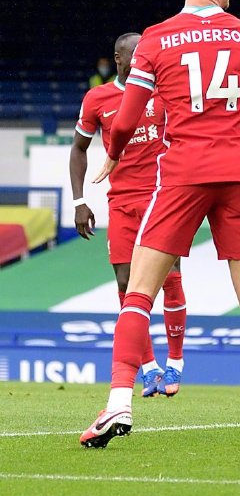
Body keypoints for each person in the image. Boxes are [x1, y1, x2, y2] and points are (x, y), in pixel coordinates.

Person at [80, 0, 240, 450]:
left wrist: (113, 153)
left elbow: (127, 117)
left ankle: (119, 405)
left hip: (181, 177)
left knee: (138, 293)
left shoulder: (156, 40)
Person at [71, 33, 187, 398]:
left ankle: (176, 361)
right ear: (118, 59)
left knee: (169, 275)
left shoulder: (164, 93)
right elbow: (79, 149)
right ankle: (149, 367)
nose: (142, 60)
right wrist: (79, 201)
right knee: (126, 282)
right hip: (121, 202)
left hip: (162, 198)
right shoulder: (98, 98)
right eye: (135, 55)